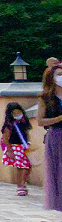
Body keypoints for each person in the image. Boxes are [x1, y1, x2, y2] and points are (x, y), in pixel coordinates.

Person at [38, 60, 62, 213]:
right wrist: (59, 118)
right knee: (58, 172)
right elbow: (40, 121)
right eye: (59, 74)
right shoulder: (46, 97)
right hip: (56, 136)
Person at [1, 102, 32, 197]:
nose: (18, 115)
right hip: (14, 147)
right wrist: (9, 151)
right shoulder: (9, 125)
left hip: (22, 147)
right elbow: (5, 139)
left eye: (19, 112)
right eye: (15, 113)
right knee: (21, 167)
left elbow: (26, 134)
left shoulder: (23, 123)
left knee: (27, 167)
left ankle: (22, 183)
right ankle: (20, 186)